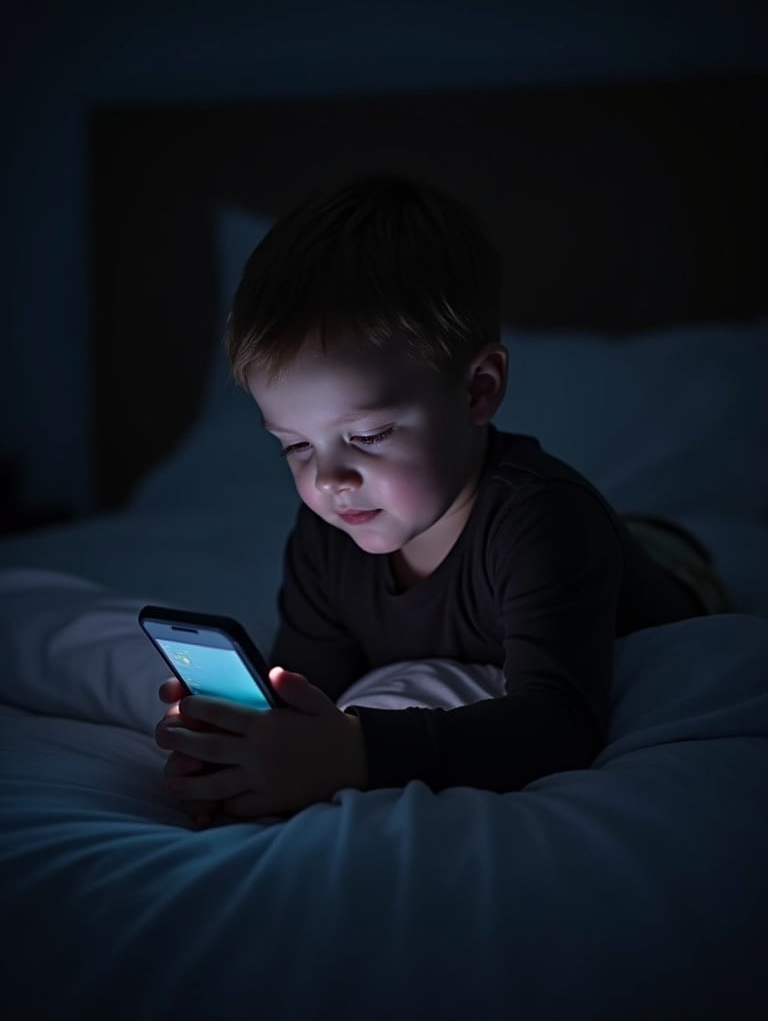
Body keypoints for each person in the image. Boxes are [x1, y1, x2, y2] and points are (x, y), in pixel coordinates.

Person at [154, 172, 729, 826]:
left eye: (366, 436)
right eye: (295, 446)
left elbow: (560, 723)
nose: (329, 481)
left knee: (640, 549)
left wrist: (356, 753)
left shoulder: (545, 522)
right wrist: (247, 747)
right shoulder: (326, 536)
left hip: (669, 568)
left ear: (479, 390)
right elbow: (309, 687)